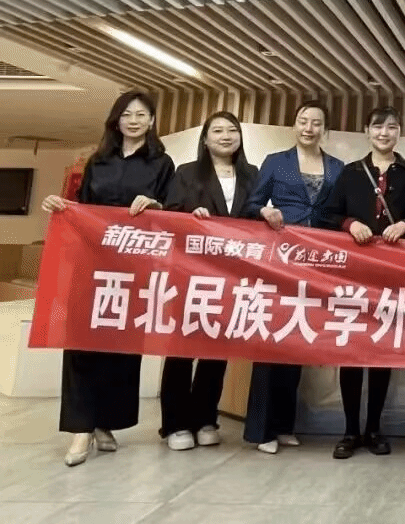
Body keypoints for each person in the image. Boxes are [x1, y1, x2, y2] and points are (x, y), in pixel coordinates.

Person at [41, 90, 175, 467]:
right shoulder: (97, 161)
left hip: (133, 266)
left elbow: (172, 213)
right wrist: (60, 206)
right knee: (82, 343)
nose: (133, 121)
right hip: (91, 261)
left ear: (152, 121)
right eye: (126, 114)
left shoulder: (162, 163)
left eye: (141, 114)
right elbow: (82, 208)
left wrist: (156, 206)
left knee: (120, 347)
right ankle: (81, 429)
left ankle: (105, 423)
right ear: (116, 120)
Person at [317, 106, 405, 459]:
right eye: (378, 127)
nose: (384, 133)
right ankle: (350, 431)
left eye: (391, 127)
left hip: (393, 273)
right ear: (367, 131)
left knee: (381, 349)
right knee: (352, 350)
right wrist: (350, 224)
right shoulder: (350, 173)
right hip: (354, 273)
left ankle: (374, 429)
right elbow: (328, 213)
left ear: (399, 132)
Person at [242, 100, 344, 454]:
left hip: (319, 264)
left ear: (325, 130)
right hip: (280, 260)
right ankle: (261, 431)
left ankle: (284, 425)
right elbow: (251, 204)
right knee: (270, 341)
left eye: (316, 122)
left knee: (296, 339)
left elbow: (339, 212)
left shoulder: (337, 167)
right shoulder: (276, 162)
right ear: (294, 125)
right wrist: (265, 211)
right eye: (303, 121)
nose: (309, 128)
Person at [160, 111, 258, 451]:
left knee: (217, 348)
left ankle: (205, 418)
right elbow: (170, 215)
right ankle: (175, 423)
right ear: (205, 139)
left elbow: (254, 217)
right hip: (192, 271)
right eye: (217, 130)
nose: (225, 136)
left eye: (232, 130)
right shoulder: (187, 173)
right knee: (182, 348)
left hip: (232, 274)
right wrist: (191, 217)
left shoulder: (252, 174)